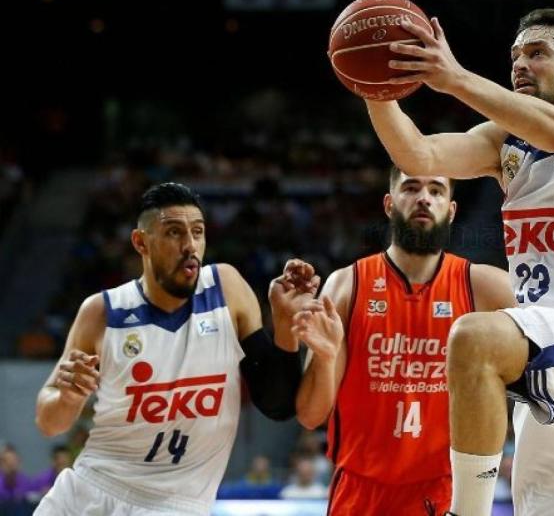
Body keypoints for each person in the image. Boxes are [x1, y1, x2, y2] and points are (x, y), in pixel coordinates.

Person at [364, 7, 554, 515]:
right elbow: (417, 156)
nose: (519, 64)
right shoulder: (504, 144)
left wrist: (454, 78)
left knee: (474, 337)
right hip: (544, 352)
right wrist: (375, 90)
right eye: (514, 56)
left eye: (536, 53)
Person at [32, 182, 337, 516]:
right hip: (91, 490)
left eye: (198, 232)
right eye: (174, 232)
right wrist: (68, 398)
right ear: (141, 242)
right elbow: (49, 422)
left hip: (176, 505)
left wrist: (283, 322)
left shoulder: (226, 289)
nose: (190, 245)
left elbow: (278, 405)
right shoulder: (102, 312)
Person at [287, 168, 514, 515]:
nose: (424, 197)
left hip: (445, 489)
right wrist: (326, 356)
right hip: (359, 489)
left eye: (437, 191)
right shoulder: (347, 284)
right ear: (390, 204)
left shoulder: (484, 287)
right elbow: (309, 415)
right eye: (411, 188)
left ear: (451, 211)